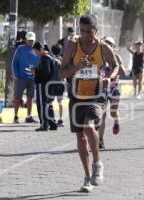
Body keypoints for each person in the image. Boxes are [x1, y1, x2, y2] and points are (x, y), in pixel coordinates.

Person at [59, 14, 119, 193]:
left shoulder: (103, 47)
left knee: (88, 126)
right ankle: (87, 177)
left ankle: (97, 163)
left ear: (96, 31)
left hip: (96, 94)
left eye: (89, 32)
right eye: (82, 31)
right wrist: (77, 67)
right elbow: (62, 73)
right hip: (77, 96)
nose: (85, 35)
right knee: (80, 137)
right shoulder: (72, 46)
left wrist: (109, 77)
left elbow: (116, 66)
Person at [98, 36, 125, 149]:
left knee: (113, 113)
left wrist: (116, 64)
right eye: (106, 44)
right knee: (102, 116)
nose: (108, 46)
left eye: (110, 44)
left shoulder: (117, 57)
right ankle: (100, 140)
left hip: (114, 88)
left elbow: (123, 73)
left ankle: (116, 121)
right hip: (103, 88)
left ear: (114, 47)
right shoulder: (99, 58)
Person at [12, 32, 39, 124]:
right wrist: (16, 75)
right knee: (17, 97)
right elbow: (14, 63)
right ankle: (15, 116)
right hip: (21, 77)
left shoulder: (37, 50)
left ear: (35, 40)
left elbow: (39, 64)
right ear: (26, 40)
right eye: (29, 40)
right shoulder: (20, 49)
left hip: (32, 78)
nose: (31, 41)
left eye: (32, 40)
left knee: (30, 98)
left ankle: (29, 116)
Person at [31, 42, 58, 131]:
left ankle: (44, 124)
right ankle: (52, 124)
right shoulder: (50, 56)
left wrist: (35, 72)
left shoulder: (45, 58)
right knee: (48, 104)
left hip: (43, 85)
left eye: (36, 51)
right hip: (50, 85)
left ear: (41, 49)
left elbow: (45, 73)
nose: (36, 53)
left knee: (42, 105)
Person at [50, 43, 65, 127]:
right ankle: (61, 119)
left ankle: (52, 118)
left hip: (51, 83)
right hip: (60, 83)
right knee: (60, 102)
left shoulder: (51, 60)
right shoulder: (62, 60)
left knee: (50, 101)